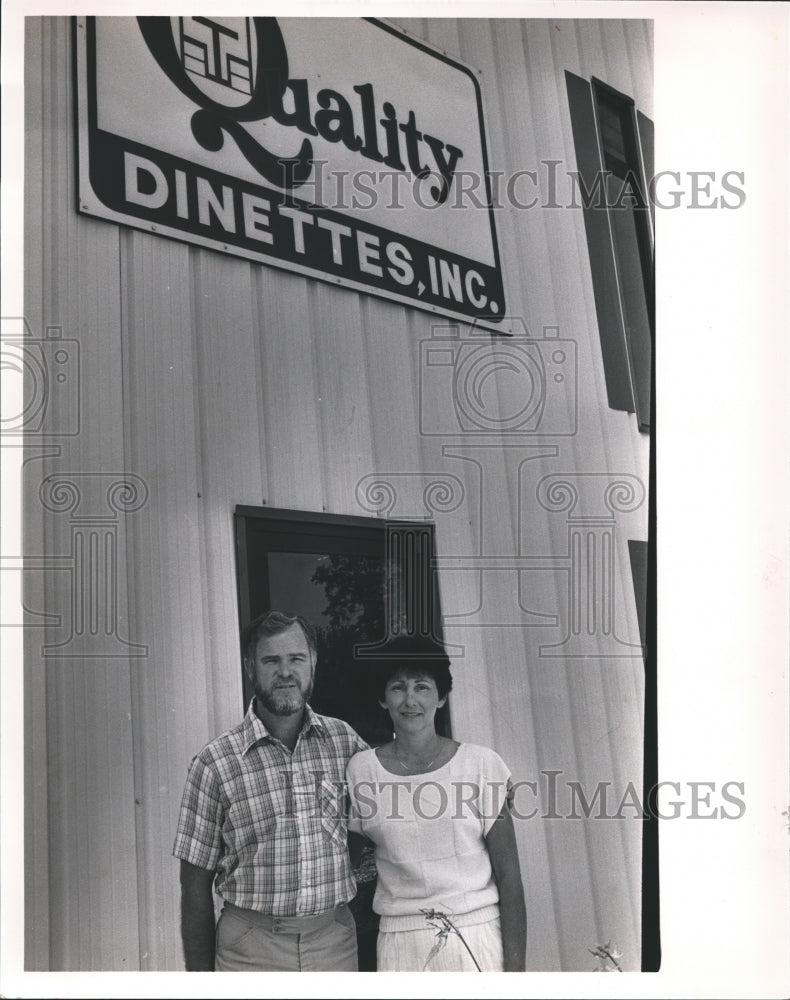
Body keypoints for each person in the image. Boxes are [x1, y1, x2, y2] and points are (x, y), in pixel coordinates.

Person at [172, 609, 368, 971]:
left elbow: (375, 829)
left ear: (313, 663)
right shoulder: (215, 762)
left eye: (296, 658)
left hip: (334, 943)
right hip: (251, 949)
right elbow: (194, 887)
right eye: (271, 660)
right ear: (250, 667)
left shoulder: (346, 743)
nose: (285, 672)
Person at [346, 633, 527, 972]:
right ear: (383, 698)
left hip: (476, 934)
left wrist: (515, 975)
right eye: (398, 687)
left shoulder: (481, 765)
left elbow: (510, 878)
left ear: (442, 697)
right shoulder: (362, 770)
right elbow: (350, 863)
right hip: (400, 942)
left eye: (422, 687)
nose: (409, 699)